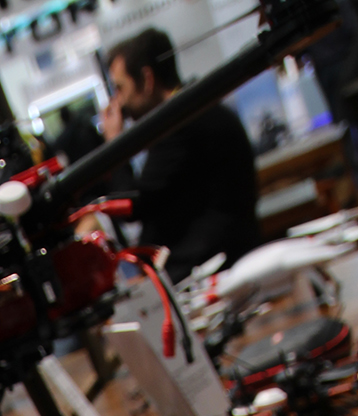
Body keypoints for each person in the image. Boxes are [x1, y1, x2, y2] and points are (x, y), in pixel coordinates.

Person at [101, 28, 259, 282]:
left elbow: (130, 206)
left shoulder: (180, 125)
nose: (118, 102)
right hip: (223, 258)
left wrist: (114, 145)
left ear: (147, 79)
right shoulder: (195, 108)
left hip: (209, 270)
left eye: (120, 88)